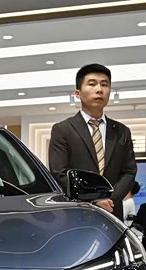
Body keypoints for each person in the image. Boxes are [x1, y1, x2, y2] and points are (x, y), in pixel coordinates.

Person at [49, 63, 137, 221]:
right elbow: (59, 173)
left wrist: (109, 199)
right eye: (92, 84)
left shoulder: (122, 131)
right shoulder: (63, 129)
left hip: (113, 211)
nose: (99, 89)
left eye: (105, 84)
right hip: (76, 212)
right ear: (78, 93)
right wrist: (93, 200)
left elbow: (129, 172)